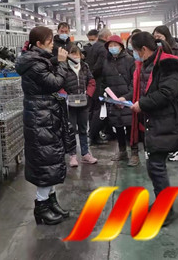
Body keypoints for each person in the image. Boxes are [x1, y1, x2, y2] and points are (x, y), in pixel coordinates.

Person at [129, 32, 178, 225]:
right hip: (154, 120)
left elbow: (167, 92)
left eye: (135, 50)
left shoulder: (167, 65)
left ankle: (166, 210)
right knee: (154, 166)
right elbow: (144, 89)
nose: (134, 54)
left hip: (167, 120)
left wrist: (142, 104)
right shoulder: (147, 64)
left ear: (144, 49)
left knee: (156, 166)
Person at [15, 26, 75, 225]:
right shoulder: (35, 64)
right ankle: (41, 207)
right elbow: (55, 83)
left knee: (51, 159)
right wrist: (63, 63)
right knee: (45, 161)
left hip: (46, 114)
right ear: (39, 44)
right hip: (40, 116)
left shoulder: (38, 60)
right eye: (49, 42)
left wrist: (57, 61)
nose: (52, 45)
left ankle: (51, 201)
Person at [101, 35, 137, 166]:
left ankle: (134, 153)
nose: (112, 48)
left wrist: (126, 97)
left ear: (121, 46)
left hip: (127, 100)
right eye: (110, 46)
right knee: (118, 126)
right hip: (114, 101)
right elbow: (104, 81)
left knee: (131, 128)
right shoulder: (106, 62)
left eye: (115, 45)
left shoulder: (130, 60)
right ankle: (122, 151)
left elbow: (134, 81)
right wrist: (109, 97)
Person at [62, 45, 98, 167]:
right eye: (72, 54)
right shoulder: (64, 67)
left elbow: (92, 82)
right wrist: (65, 96)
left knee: (83, 129)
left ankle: (85, 154)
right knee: (71, 130)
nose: (75, 57)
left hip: (83, 103)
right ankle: (72, 155)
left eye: (76, 54)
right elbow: (59, 84)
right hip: (70, 104)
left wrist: (88, 95)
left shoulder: (84, 67)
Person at [86, 28, 112, 145]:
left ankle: (96, 133)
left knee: (93, 109)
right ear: (106, 37)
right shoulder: (103, 48)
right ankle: (94, 135)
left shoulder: (94, 47)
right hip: (99, 82)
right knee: (100, 110)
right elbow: (100, 66)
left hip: (92, 83)